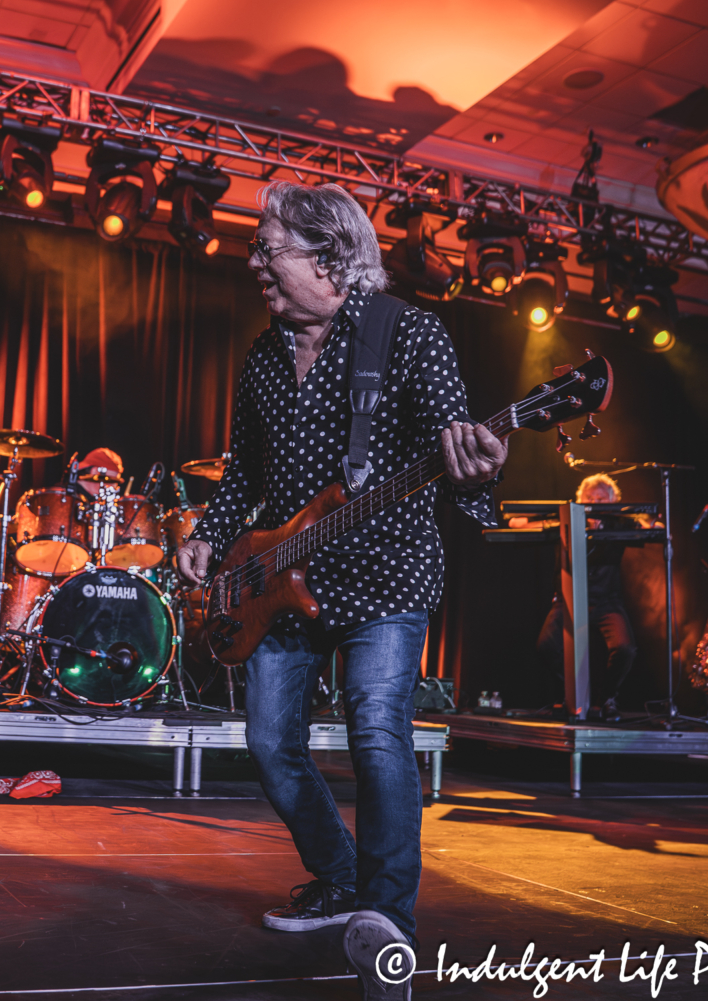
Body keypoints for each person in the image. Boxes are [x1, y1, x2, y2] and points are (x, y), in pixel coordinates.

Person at [176, 183, 505, 1000]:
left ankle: (387, 915)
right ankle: (339, 875)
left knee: (379, 732)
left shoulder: (407, 333)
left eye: (268, 247)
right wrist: (209, 535)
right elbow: (243, 466)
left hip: (385, 571)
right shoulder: (262, 354)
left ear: (328, 256)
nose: (254, 261)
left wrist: (481, 472)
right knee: (266, 742)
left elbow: (452, 451)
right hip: (280, 578)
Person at [530, 473, 643, 721]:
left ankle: (606, 698)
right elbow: (518, 522)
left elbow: (653, 526)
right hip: (567, 600)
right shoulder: (567, 520)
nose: (593, 502)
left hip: (607, 601)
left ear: (612, 501)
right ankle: (576, 694)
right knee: (546, 647)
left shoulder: (619, 523)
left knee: (625, 649)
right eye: (588, 497)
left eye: (600, 499)